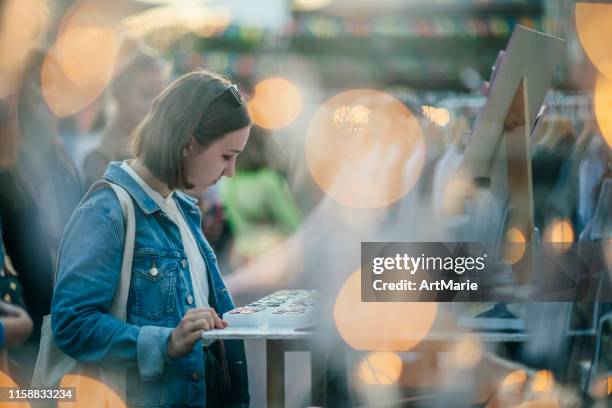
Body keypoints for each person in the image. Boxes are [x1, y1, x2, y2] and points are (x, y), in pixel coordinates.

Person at [51, 70, 251, 407]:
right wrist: (165, 342)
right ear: (189, 142)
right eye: (226, 156)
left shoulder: (183, 209)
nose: (230, 171)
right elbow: (71, 324)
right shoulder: (107, 211)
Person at [80, 43, 167, 188]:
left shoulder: (162, 152)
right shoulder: (99, 158)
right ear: (118, 92)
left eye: (160, 96)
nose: (155, 105)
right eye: (147, 95)